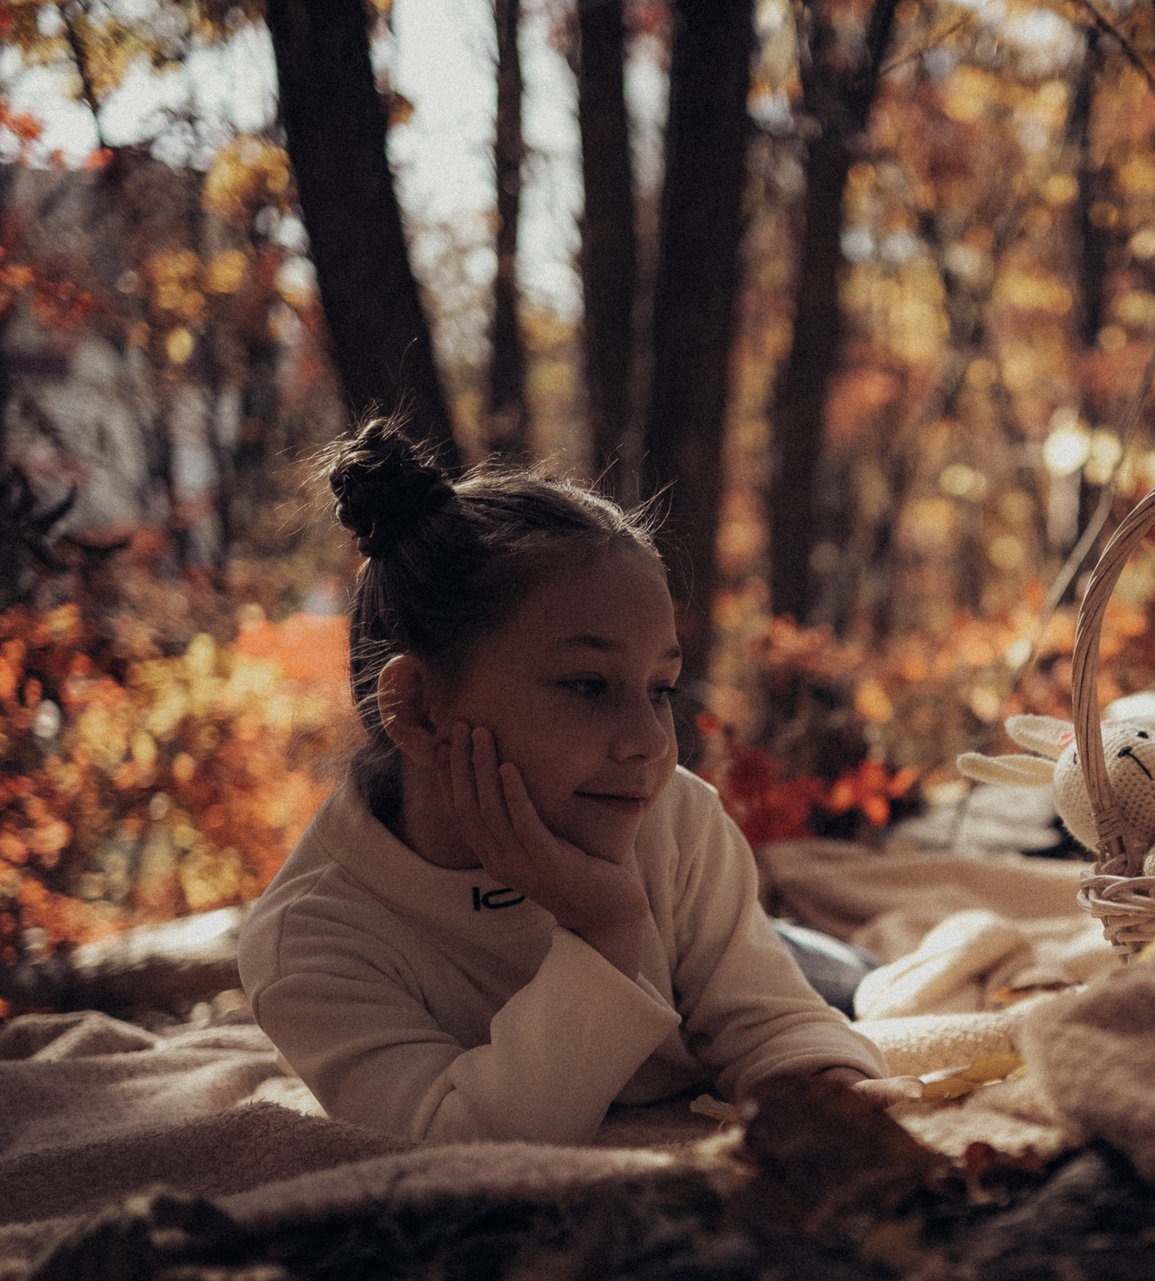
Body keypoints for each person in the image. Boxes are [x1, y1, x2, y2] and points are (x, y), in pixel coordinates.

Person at [239, 420, 912, 1144]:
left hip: (766, 953)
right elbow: (459, 1144)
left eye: (660, 688)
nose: (654, 743)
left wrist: (831, 1092)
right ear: (421, 709)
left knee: (858, 981)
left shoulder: (674, 818)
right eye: (588, 685)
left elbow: (772, 1018)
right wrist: (605, 926)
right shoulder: (312, 939)